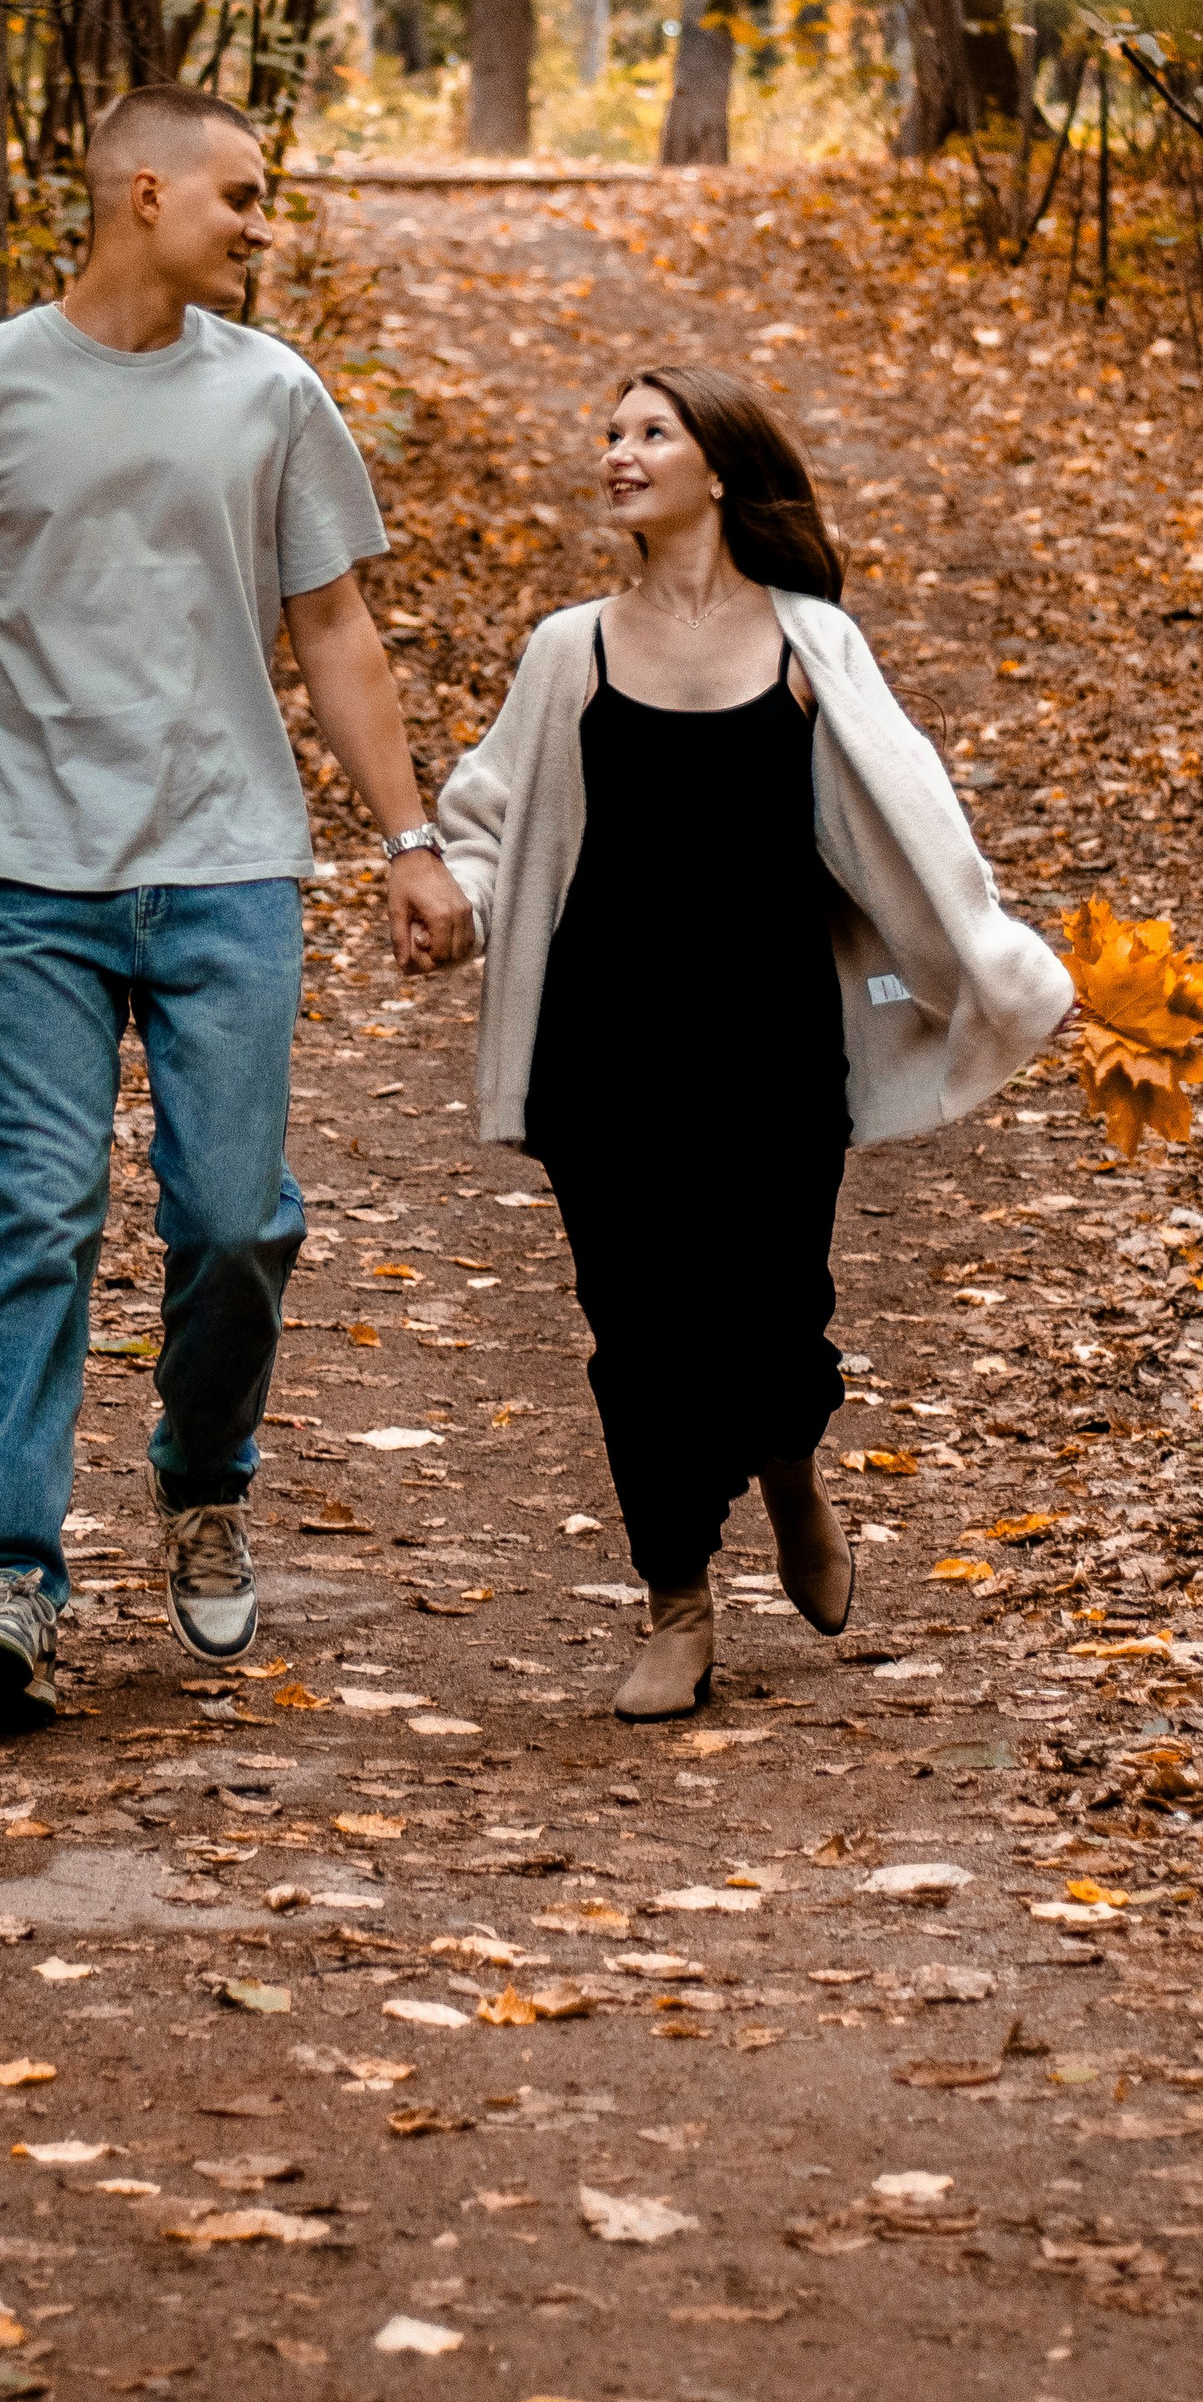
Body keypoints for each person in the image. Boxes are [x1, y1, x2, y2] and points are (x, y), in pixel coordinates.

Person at [0, 83, 475, 1732]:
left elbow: (339, 632)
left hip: (230, 862)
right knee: (40, 1219)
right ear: (141, 193)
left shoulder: (273, 396)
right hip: (27, 877)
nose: (259, 223)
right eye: (240, 195)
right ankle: (9, 1569)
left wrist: (410, 836)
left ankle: (202, 1469)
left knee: (235, 1222)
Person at [437, 366, 1069, 1722]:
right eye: (609, 430)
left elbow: (914, 824)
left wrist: (996, 963)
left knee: (778, 1307)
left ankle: (788, 1455)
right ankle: (676, 1600)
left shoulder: (809, 643)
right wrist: (457, 901)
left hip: (775, 1032)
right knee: (639, 1325)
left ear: (716, 468)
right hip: (605, 1035)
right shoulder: (571, 650)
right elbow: (490, 815)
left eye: (649, 431)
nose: (618, 450)